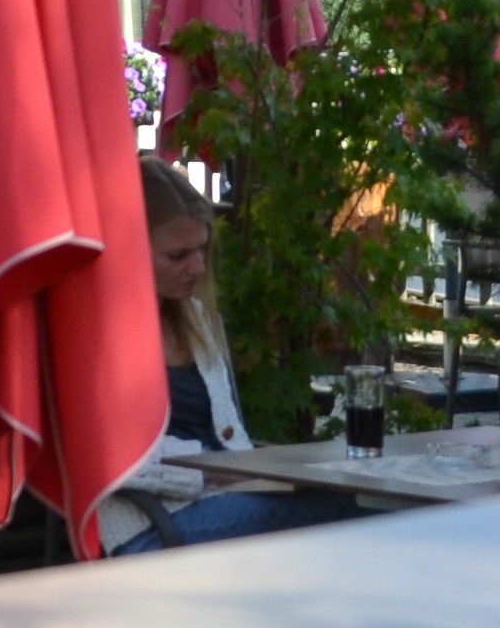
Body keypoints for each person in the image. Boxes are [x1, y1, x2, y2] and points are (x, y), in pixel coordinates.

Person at [102, 155, 359, 553]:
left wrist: (268, 469)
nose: (198, 267)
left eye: (202, 250)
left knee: (359, 498)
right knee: (349, 509)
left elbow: (230, 440)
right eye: (178, 255)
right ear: (128, 249)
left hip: (223, 496)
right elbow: (110, 456)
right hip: (148, 524)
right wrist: (212, 470)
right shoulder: (100, 333)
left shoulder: (200, 319)